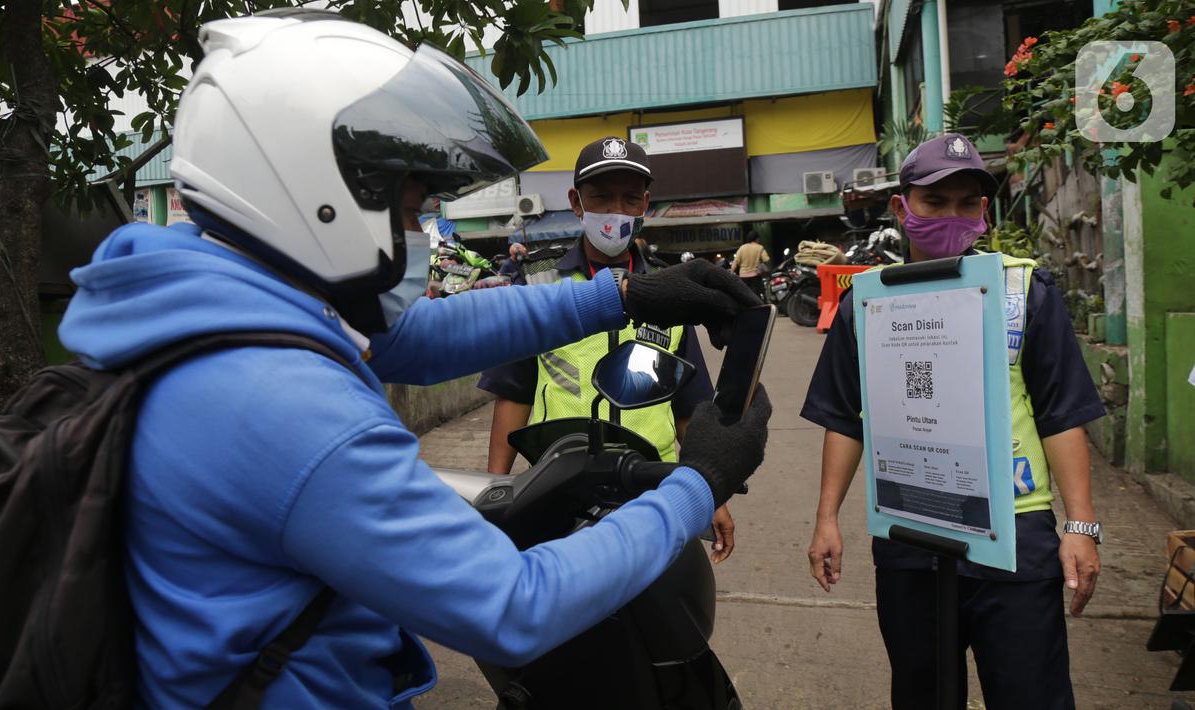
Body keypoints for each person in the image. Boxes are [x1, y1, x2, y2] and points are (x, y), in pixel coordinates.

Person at [57, 12, 771, 708]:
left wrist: (622, 296)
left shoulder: (210, 308)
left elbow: (416, 337)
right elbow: (512, 606)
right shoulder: (286, 407)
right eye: (410, 209)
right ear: (317, 196)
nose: (421, 233)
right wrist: (696, 484)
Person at [801, 134, 1105, 709]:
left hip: (1014, 535)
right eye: (934, 202)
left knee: (1030, 695)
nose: (952, 216)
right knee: (923, 694)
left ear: (985, 214)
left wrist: (1081, 525)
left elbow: (1062, 413)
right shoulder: (869, 302)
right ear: (901, 208)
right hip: (911, 535)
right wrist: (827, 519)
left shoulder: (1022, 292)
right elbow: (844, 417)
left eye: (968, 203)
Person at [478, 136, 742, 563]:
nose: (615, 211)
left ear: (645, 205)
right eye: (601, 197)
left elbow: (690, 408)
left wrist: (711, 493)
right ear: (577, 202)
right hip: (554, 481)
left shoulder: (671, 290)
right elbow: (513, 391)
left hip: (652, 486)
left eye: (629, 199)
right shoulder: (538, 280)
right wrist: (494, 492)